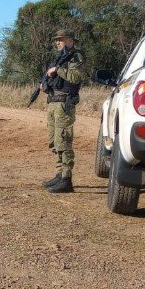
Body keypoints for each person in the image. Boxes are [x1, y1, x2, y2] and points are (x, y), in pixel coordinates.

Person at [41, 30, 85, 193]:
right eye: (56, 40)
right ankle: (60, 175)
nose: (57, 42)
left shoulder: (76, 57)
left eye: (60, 39)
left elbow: (75, 77)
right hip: (54, 102)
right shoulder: (60, 58)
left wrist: (57, 70)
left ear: (70, 40)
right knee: (54, 141)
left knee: (63, 141)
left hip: (64, 104)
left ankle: (66, 179)